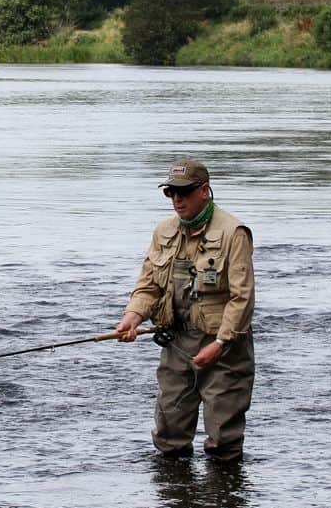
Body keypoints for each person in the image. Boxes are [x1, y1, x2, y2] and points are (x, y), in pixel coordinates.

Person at [116, 159, 255, 462]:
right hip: (176, 343)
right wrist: (132, 317)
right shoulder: (164, 231)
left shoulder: (234, 233)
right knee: (169, 434)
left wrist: (220, 344)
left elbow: (242, 298)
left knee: (224, 439)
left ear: (204, 190)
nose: (177, 199)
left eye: (184, 192)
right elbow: (148, 285)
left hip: (225, 349)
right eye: (170, 193)